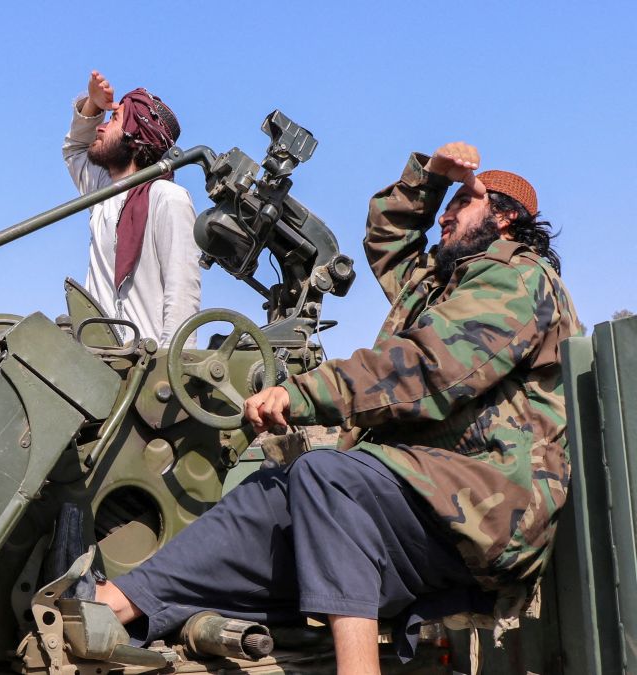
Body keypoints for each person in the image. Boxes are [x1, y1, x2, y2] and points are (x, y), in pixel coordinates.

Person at [92, 141, 582, 673]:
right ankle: (113, 604)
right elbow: (388, 239)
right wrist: (432, 177)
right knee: (271, 494)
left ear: (505, 218)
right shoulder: (441, 283)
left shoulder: (519, 278)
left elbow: (427, 367)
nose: (446, 214)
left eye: (462, 203)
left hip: (488, 508)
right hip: (426, 495)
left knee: (329, 478)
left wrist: (302, 394)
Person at [63, 71, 201, 347]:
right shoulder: (102, 192)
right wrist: (93, 104)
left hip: (143, 369)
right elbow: (75, 150)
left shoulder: (167, 198)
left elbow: (182, 292)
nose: (100, 127)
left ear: (134, 137)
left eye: (113, 119)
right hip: (97, 362)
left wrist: (169, 371)